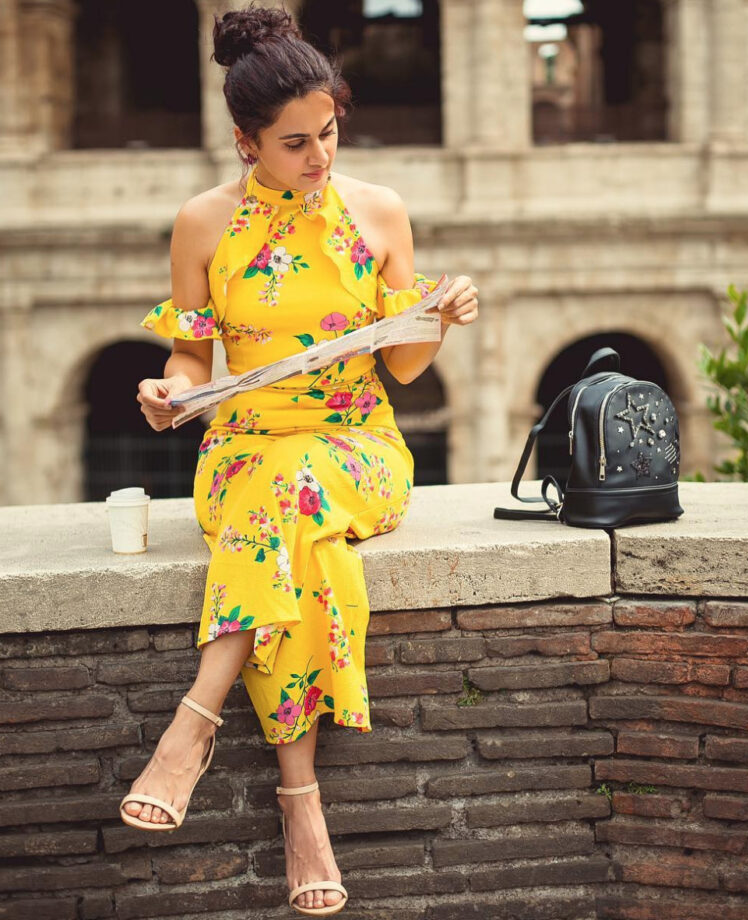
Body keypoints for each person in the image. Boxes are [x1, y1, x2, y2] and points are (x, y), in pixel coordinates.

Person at [119, 4, 479, 917]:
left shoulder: (379, 211)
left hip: (358, 447)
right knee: (298, 536)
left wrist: (433, 317)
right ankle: (300, 804)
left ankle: (194, 724)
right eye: (294, 143)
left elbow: (401, 365)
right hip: (243, 447)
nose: (320, 158)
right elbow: (194, 359)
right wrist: (169, 390)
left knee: (294, 494)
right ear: (246, 142)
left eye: (328, 132)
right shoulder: (202, 225)